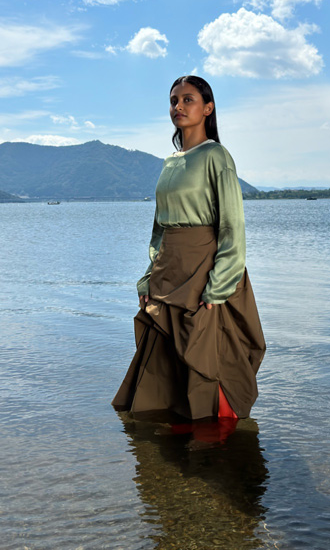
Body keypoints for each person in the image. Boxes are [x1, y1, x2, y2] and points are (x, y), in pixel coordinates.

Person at [112, 75, 266, 426]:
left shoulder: (217, 156)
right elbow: (159, 229)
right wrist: (147, 278)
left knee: (209, 359)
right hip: (168, 274)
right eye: (173, 100)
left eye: (188, 100)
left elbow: (232, 225)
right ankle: (174, 447)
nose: (178, 106)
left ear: (208, 108)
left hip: (205, 274)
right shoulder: (170, 163)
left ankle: (219, 448)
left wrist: (219, 286)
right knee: (166, 367)